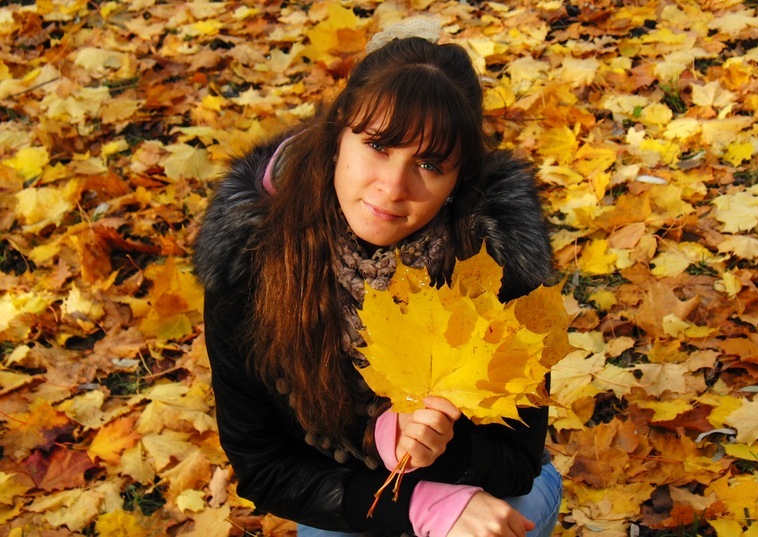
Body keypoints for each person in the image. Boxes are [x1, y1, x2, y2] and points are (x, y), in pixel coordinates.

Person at [193, 29, 562, 537]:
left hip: (484, 489)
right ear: (337, 136)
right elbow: (264, 467)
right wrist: (420, 505)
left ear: (458, 181)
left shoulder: (493, 264)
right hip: (339, 496)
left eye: (429, 164)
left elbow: (517, 461)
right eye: (378, 145)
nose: (392, 188)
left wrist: (438, 445)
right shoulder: (251, 259)